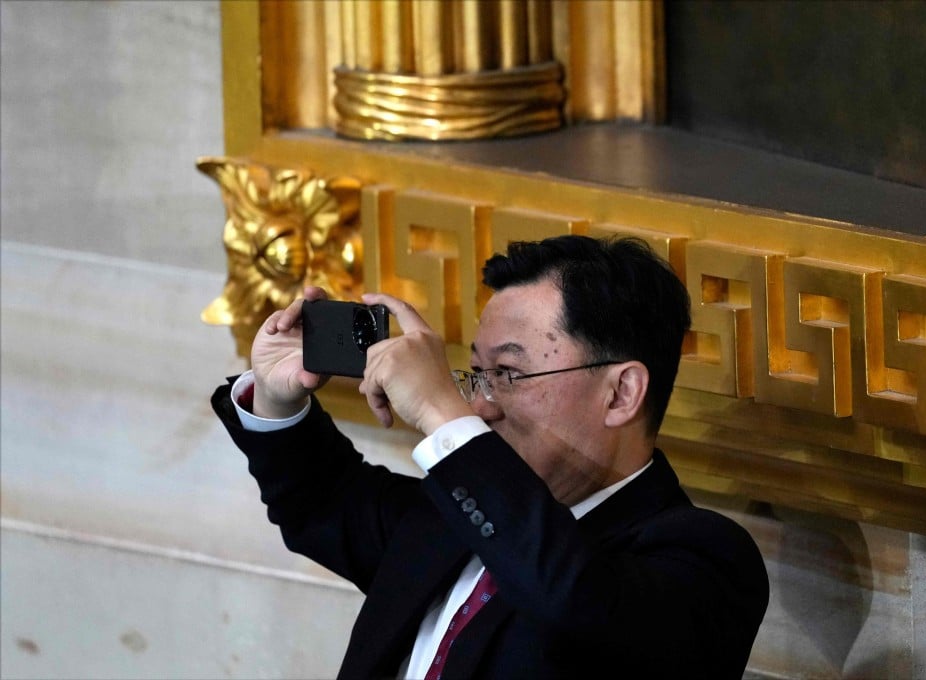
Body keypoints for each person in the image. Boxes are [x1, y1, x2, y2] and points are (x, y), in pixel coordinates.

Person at [211, 234, 769, 679]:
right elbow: (322, 501)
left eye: (508, 373)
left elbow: (571, 600)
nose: (479, 404)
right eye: (477, 374)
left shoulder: (704, 562)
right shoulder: (458, 512)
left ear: (621, 394)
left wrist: (436, 409)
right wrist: (276, 396)